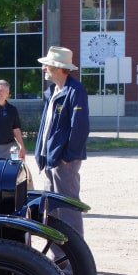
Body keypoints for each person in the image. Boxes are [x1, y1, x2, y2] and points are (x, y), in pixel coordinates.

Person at [34, 46, 90, 237]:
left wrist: (68, 156)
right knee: (51, 211)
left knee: (68, 210)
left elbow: (80, 127)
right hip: (50, 160)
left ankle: (75, 261)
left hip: (62, 161)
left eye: (47, 65)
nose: (44, 69)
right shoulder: (53, 93)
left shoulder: (75, 91)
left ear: (57, 67)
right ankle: (60, 259)